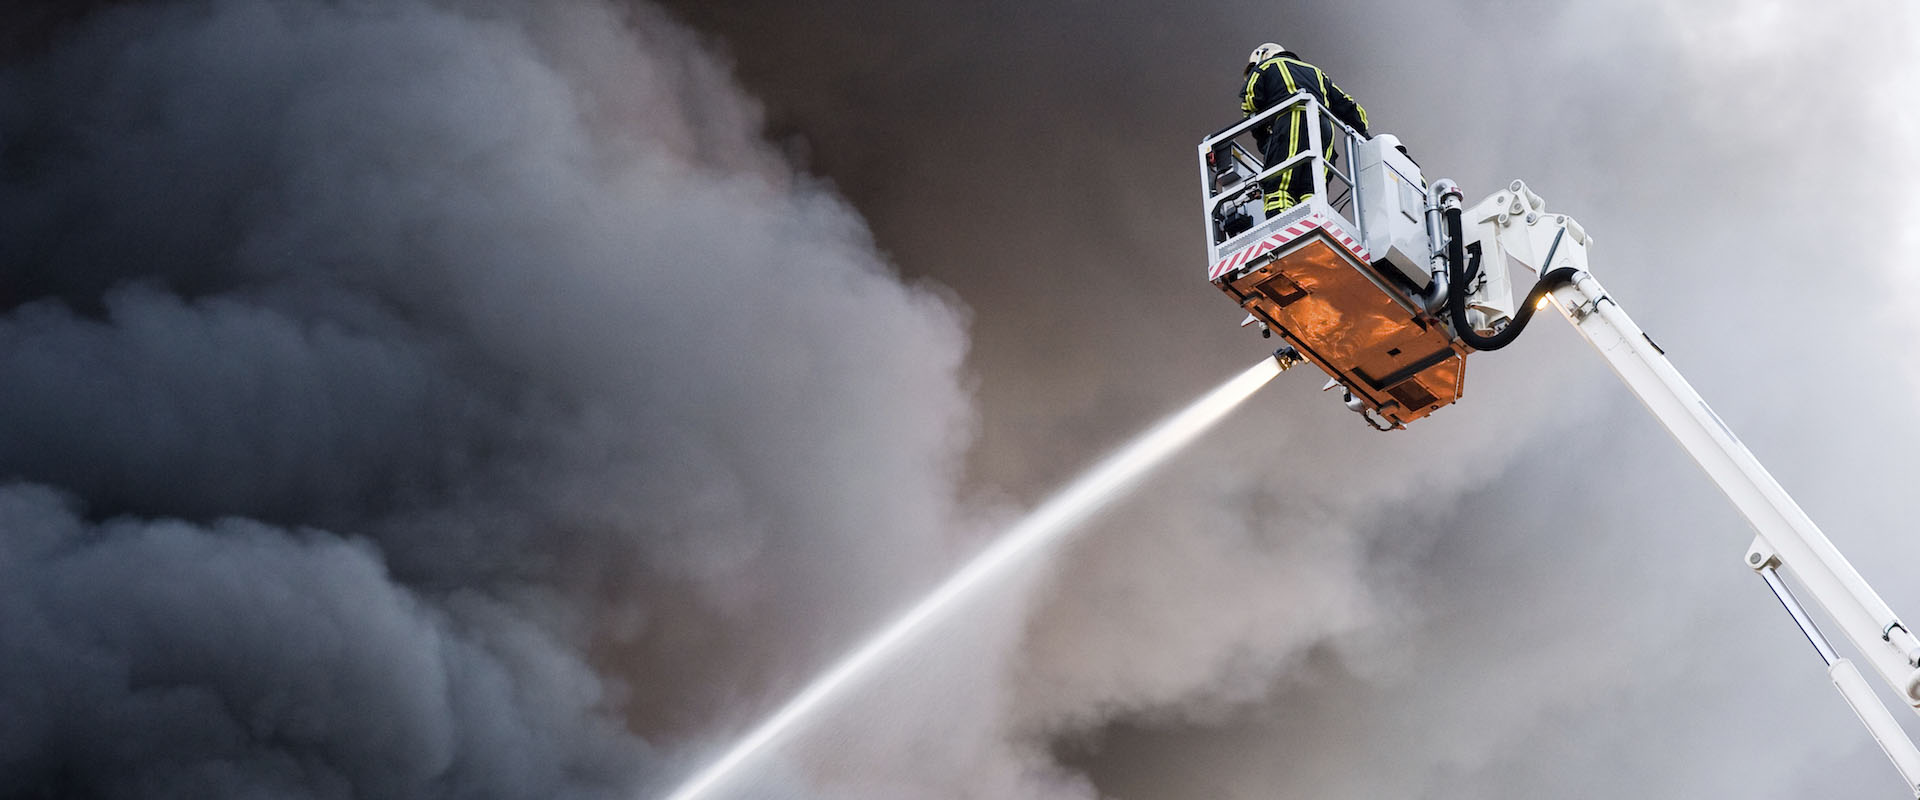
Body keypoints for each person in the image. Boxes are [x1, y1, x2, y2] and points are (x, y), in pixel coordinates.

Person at [1240, 43, 1369, 214]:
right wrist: (1365, 134)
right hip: (1324, 128)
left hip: (1292, 121)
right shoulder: (1317, 72)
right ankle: (1313, 216)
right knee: (1312, 185)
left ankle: (1282, 222)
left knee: (1279, 184)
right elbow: (1350, 107)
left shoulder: (1266, 67)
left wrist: (1265, 139)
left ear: (1262, 56)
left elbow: (1250, 103)